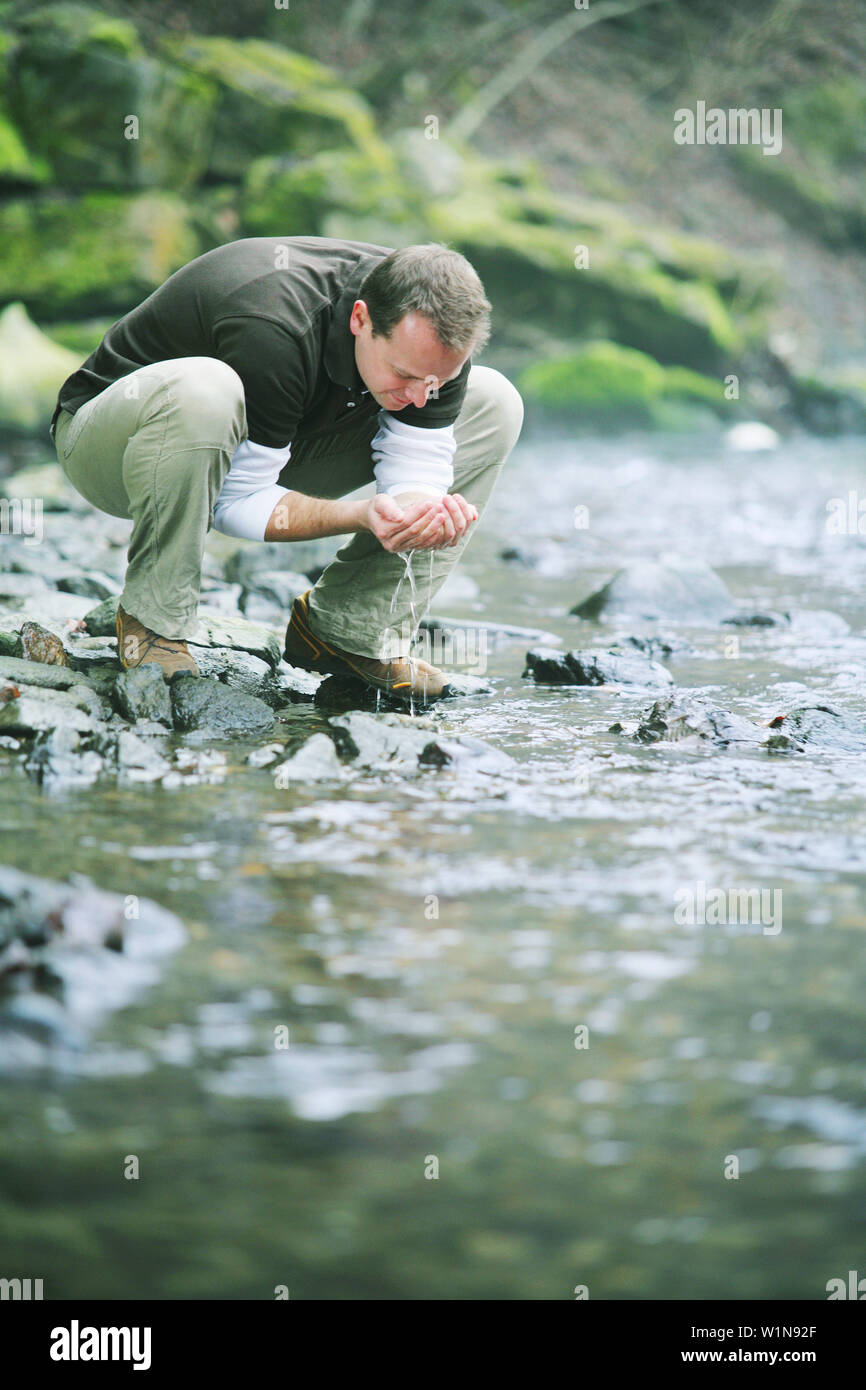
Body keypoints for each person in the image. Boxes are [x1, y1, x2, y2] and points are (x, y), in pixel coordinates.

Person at [50, 236, 524, 701]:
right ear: (361, 318)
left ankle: (348, 632)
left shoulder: (435, 341)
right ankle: (153, 620)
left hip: (265, 444)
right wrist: (360, 514)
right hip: (114, 445)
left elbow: (417, 465)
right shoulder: (273, 323)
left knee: (494, 400)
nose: (420, 397)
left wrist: (420, 515)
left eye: (434, 382)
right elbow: (233, 505)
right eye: (404, 375)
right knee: (205, 388)